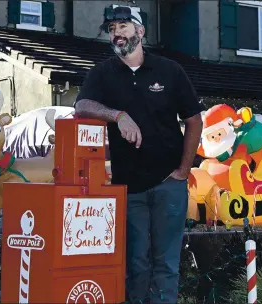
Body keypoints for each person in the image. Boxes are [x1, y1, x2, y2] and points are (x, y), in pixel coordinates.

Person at [74, 6, 204, 303]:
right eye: (111, 29)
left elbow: (194, 120)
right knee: (136, 263)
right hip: (127, 186)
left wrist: (183, 170)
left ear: (140, 31)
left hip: (168, 182)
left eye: (122, 26)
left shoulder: (169, 70)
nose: (116, 33)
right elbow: (82, 106)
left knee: (166, 263)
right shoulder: (102, 73)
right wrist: (118, 115)